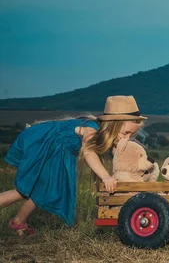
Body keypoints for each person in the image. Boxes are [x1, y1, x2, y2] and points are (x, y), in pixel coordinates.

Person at [0, 95, 147, 236]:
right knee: (24, 190)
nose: (126, 138)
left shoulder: (106, 134)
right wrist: (106, 177)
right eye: (126, 133)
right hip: (44, 145)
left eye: (131, 135)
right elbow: (88, 151)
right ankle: (17, 219)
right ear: (114, 125)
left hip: (56, 151)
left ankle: (19, 221)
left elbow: (120, 158)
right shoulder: (91, 130)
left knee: (44, 188)